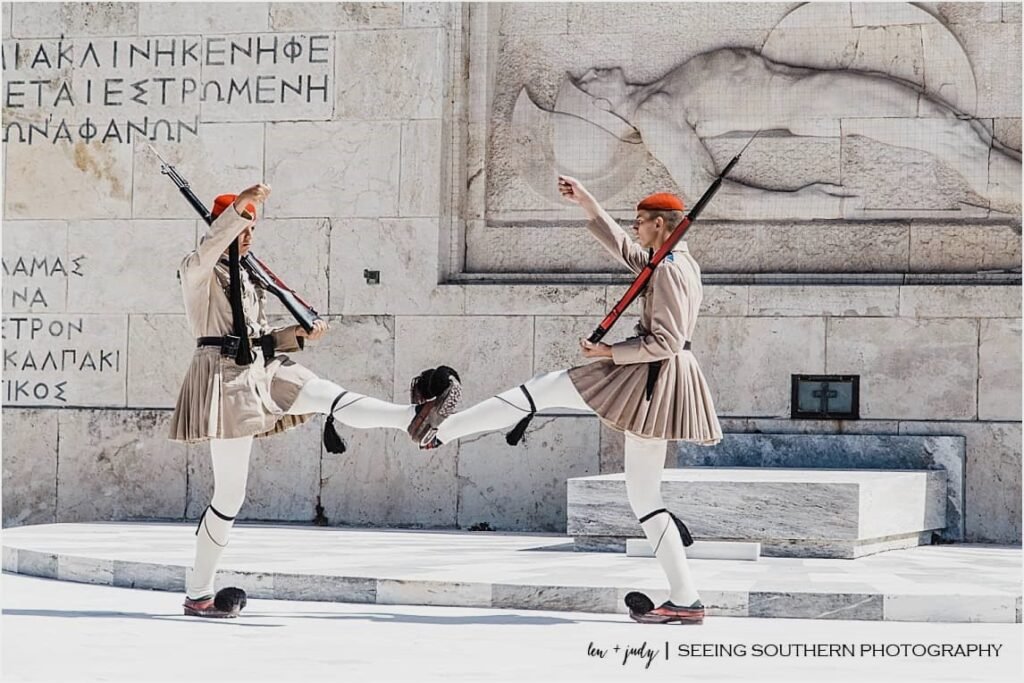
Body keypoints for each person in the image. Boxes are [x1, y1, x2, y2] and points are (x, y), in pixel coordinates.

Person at [424, 176, 721, 624]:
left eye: (641, 221)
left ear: (660, 224)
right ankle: (685, 599)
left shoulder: (670, 269)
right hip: (654, 377)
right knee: (644, 495)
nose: (636, 227)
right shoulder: (673, 260)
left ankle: (441, 429)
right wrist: (588, 203)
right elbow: (627, 252)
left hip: (649, 377)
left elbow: (667, 341)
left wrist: (608, 353)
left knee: (544, 388)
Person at [168, 184, 459, 617]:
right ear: (221, 227)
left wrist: (297, 335)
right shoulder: (198, 270)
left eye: (252, 228)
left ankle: (413, 418)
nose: (248, 235)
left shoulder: (247, 275)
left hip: (265, 368)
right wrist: (240, 208)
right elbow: (213, 247)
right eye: (241, 227)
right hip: (224, 380)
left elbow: (258, 336)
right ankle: (199, 593)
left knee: (325, 393)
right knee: (229, 494)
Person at [572, 47, 1020, 218]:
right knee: (948, 131)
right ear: (601, 106)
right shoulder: (654, 115)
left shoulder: (659, 90)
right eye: (587, 82)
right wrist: (802, 203)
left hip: (814, 91)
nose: (592, 70)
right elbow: (709, 193)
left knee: (956, 130)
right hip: (812, 103)